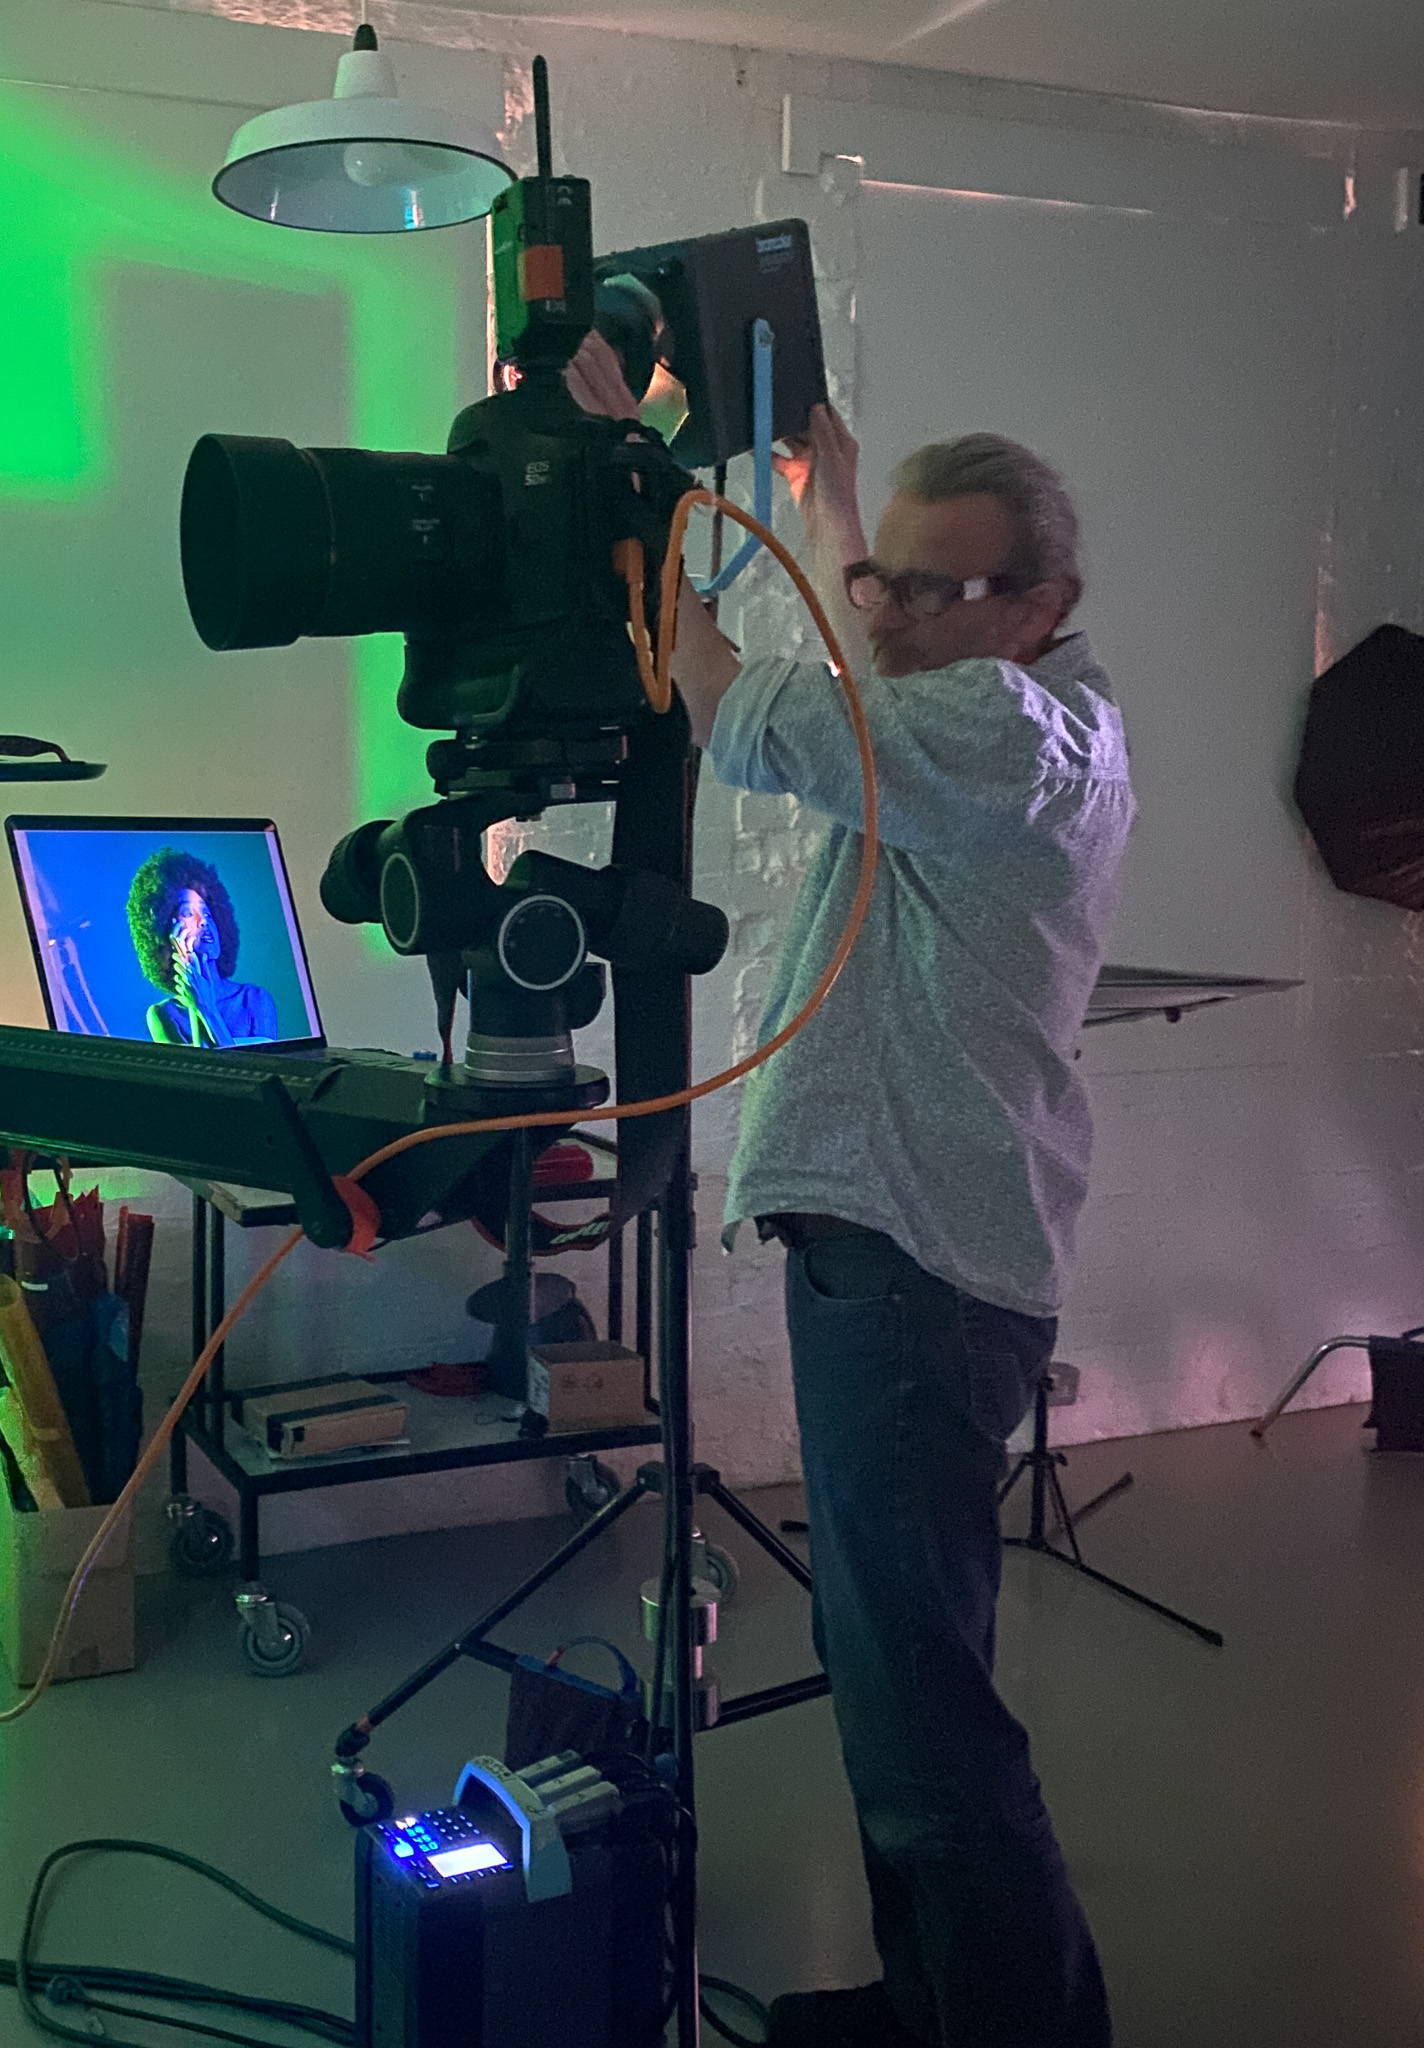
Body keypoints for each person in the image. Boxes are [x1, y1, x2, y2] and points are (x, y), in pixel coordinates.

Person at [568, 334, 1132, 2048]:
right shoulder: (981, 700)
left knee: (922, 1721)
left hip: (911, 1277)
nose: (877, 610)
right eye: (877, 575)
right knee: (895, 1695)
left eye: (925, 585)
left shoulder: (1003, 728)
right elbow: (847, 656)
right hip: (904, 1264)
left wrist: (637, 497)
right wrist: (834, 505)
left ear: (1039, 602)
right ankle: (933, 1999)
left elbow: (744, 704)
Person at [126, 848, 279, 1048]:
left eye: (206, 912)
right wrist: (195, 1004)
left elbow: (248, 1070)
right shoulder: (163, 1015)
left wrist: (204, 1007)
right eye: (188, 912)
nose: (203, 922)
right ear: (164, 931)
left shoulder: (254, 999)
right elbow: (202, 1074)